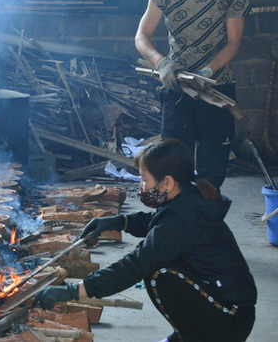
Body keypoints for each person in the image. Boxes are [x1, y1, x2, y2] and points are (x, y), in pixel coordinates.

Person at [32, 139, 257, 342]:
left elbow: (135, 264)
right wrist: (119, 222)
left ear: (167, 182)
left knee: (159, 273)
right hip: (232, 308)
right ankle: (188, 334)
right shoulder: (188, 197)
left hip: (228, 318)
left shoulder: (182, 217)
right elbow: (156, 223)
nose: (142, 186)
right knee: (160, 266)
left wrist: (75, 291)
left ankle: (192, 337)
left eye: (144, 179)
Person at [134, 0, 251, 189]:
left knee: (211, 175)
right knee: (172, 171)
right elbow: (141, 36)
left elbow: (234, 42)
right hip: (177, 89)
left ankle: (206, 223)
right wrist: (161, 62)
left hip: (217, 91)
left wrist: (209, 71)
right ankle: (174, 226)